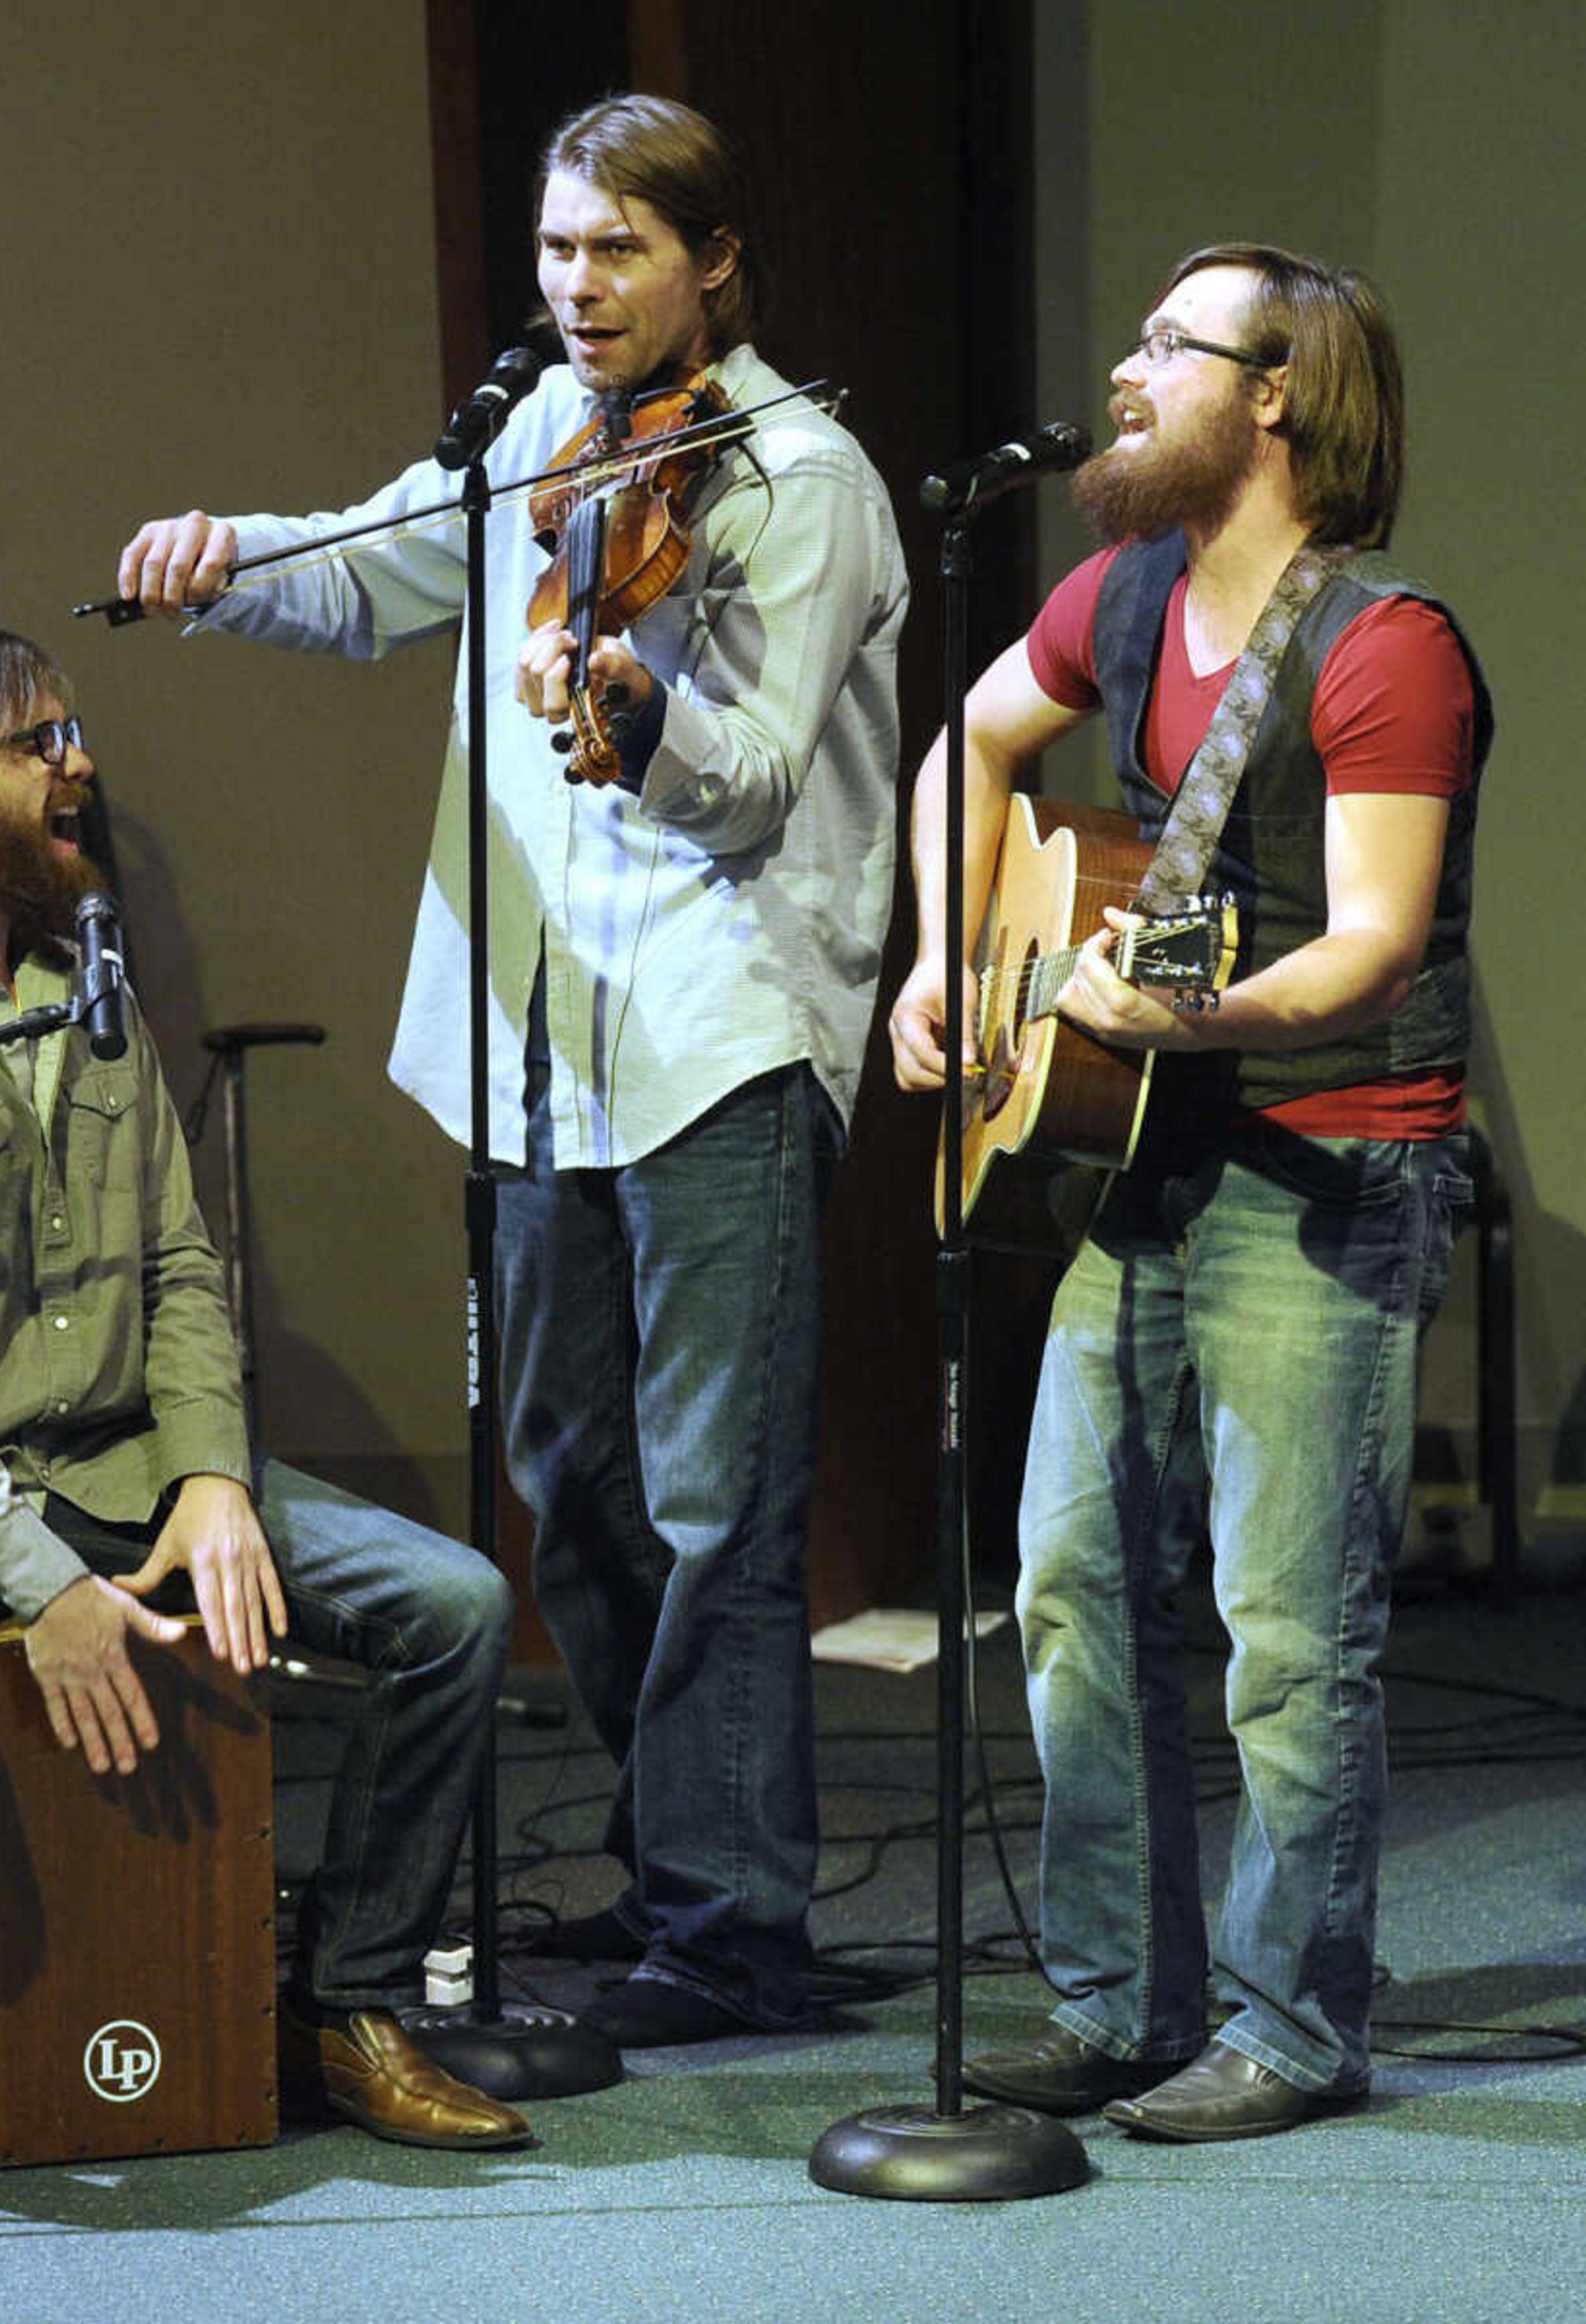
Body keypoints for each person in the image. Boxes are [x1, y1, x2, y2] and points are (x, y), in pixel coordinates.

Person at [113, 94, 905, 2049]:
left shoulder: (799, 478)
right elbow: (374, 568)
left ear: (711, 262)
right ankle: (667, 1873)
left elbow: (752, 777)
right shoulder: (541, 439)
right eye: (557, 249)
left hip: (721, 1025)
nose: (577, 284)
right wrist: (220, 562)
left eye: (617, 249)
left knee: (720, 1496)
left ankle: (732, 1928)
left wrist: (638, 714)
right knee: (573, 1479)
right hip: (546, 1040)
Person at [0, 629, 527, 2192]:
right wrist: (48, 1591)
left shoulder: (84, 993)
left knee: (454, 1607)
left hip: (114, 1446)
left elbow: (179, 1263)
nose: (79, 763)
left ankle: (350, 2002)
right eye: (39, 740)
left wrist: (213, 1479)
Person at [887, 245, 1487, 2141]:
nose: (1127, 371)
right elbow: (970, 743)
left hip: (1329, 1158)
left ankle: (1295, 2025)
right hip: (1152, 1157)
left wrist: (1186, 1010)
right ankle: (1117, 1999)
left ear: (1283, 392)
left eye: (1171, 346)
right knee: (1069, 1588)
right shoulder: (1123, 593)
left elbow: (1375, 945)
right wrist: (946, 956)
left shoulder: (1387, 645)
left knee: (1289, 1632)